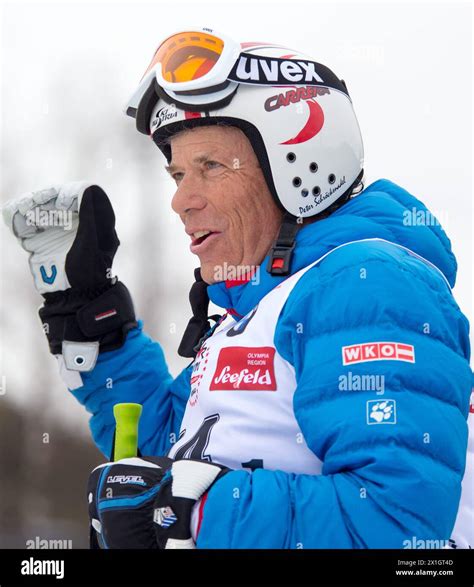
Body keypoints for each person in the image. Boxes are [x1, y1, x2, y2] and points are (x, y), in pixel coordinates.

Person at [3, 27, 472, 550]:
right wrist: (93, 323)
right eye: (178, 173)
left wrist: (193, 514)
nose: (181, 201)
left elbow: (397, 525)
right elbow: (173, 455)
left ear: (298, 168)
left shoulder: (367, 284)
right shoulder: (252, 314)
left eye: (210, 167)